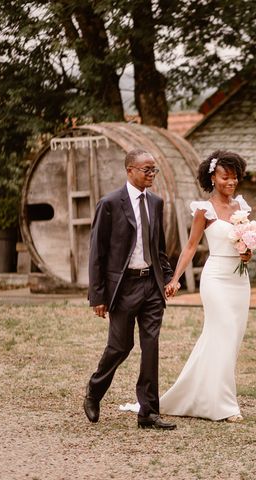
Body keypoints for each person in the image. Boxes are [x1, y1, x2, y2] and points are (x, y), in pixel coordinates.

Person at [122, 150, 252, 422]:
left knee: (229, 339)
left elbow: (245, 245)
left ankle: (204, 394)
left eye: (235, 177)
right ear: (213, 178)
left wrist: (248, 252)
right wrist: (174, 278)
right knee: (225, 330)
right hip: (215, 278)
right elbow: (190, 247)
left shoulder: (241, 207)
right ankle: (226, 405)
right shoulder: (204, 210)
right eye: (226, 177)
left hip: (240, 281)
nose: (232, 182)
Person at [84, 149, 176, 430]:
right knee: (120, 346)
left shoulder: (156, 203)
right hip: (123, 288)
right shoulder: (110, 203)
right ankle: (94, 392)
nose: (151, 175)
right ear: (130, 170)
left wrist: (169, 278)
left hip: (151, 285)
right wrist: (97, 295)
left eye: (154, 170)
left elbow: (159, 248)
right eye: (146, 170)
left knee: (151, 346)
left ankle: (148, 412)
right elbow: (96, 252)